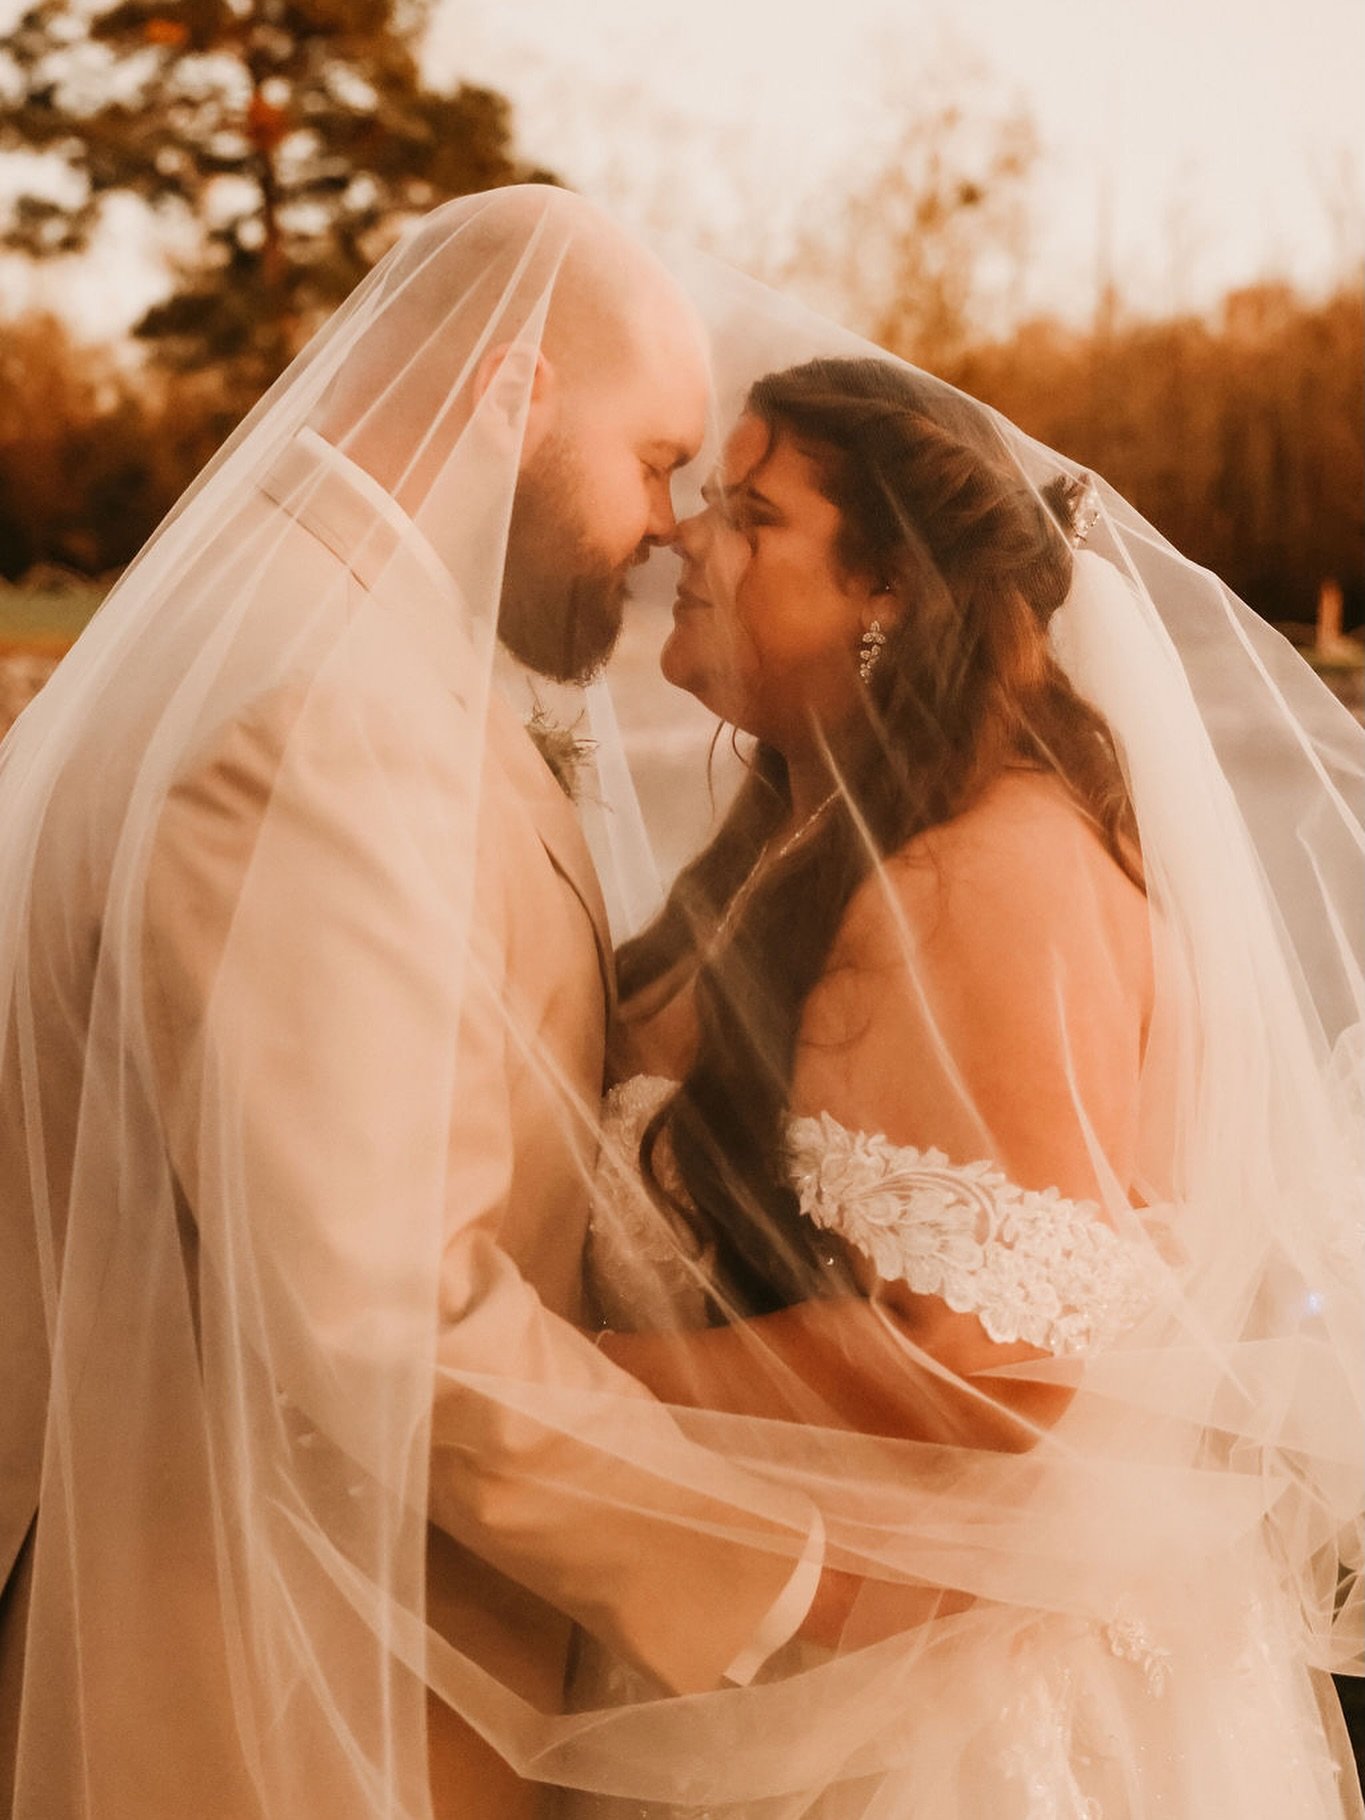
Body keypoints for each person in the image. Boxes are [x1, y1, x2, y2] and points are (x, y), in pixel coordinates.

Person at [0, 188, 826, 1820]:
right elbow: (381, 1307)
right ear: (508, 390)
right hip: (271, 1679)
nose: (670, 526)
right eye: (654, 460)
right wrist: (787, 1575)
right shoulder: (318, 712)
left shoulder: (322, 630)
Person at [574, 354, 1365, 1815]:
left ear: (888, 588)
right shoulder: (805, 835)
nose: (687, 537)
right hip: (787, 1641)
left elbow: (981, 1367)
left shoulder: (990, 867)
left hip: (932, 1736)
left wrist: (553, 1391)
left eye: (751, 514)